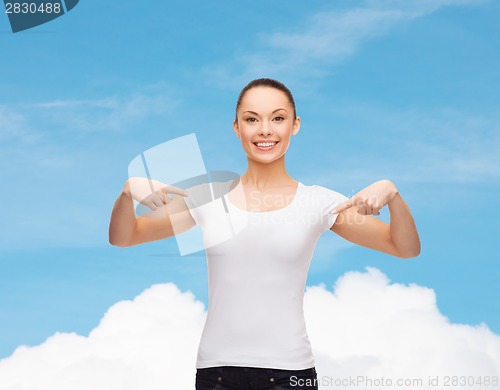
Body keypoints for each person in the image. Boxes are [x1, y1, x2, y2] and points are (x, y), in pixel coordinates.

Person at [108, 78, 421, 390]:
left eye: (278, 118)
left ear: (294, 125)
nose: (265, 130)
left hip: (290, 374)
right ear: (236, 127)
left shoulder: (318, 202)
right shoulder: (207, 198)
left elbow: (403, 247)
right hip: (217, 373)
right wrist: (127, 192)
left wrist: (392, 193)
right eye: (252, 119)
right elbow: (125, 236)